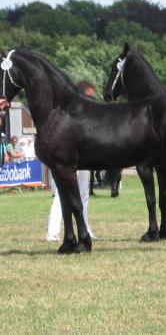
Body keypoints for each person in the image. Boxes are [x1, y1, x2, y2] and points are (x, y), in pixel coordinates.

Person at [47, 80, 97, 242]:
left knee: (83, 194)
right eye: (90, 96)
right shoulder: (70, 113)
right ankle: (53, 232)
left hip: (84, 158)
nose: (93, 100)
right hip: (67, 159)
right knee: (62, 195)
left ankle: (86, 229)